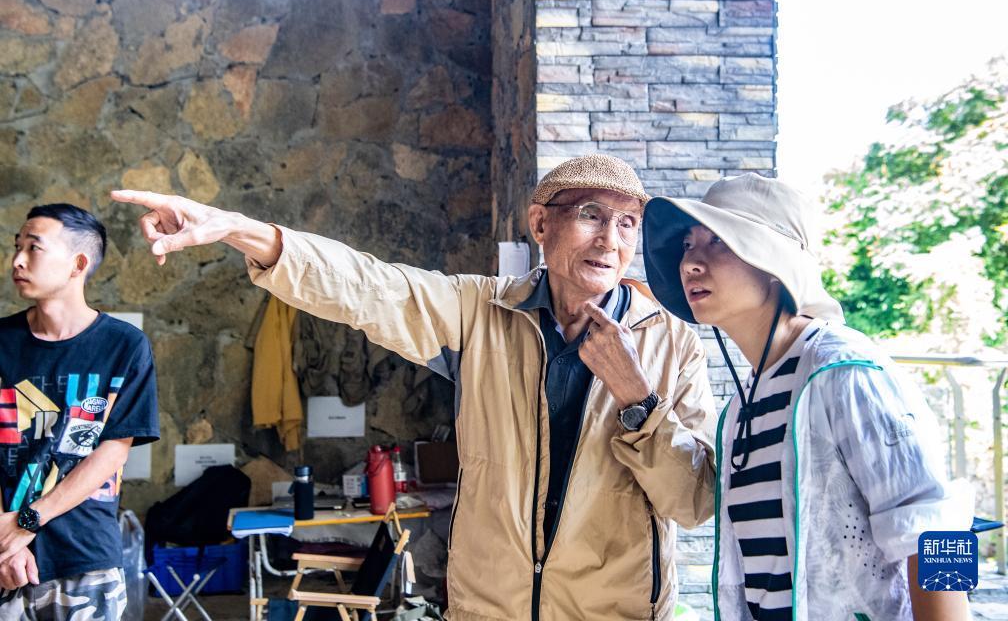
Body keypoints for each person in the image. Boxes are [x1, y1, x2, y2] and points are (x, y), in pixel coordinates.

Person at [113, 153, 717, 620]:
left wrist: (639, 401)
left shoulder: (674, 346)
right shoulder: (480, 312)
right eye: (590, 214)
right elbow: (367, 287)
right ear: (540, 223)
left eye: (627, 223)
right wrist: (237, 230)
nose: (610, 239)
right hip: (489, 609)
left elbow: (692, 502)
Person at [641, 173, 973, 621]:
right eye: (687, 245)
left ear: (774, 263)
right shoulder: (740, 407)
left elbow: (940, 530)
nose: (690, 263)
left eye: (717, 240)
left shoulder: (846, 371)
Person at [0, 204, 160, 621]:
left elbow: (112, 452)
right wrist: (4, 540)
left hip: (84, 554)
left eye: (34, 248)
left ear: (78, 264)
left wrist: (27, 521)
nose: (17, 260)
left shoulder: (124, 346)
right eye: (17, 246)